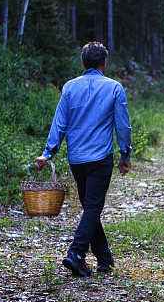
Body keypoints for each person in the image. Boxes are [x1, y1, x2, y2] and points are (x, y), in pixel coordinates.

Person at [35, 41, 132, 277]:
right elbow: (123, 125)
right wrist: (125, 155)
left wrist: (48, 152)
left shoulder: (69, 87)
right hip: (100, 158)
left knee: (90, 207)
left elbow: (60, 122)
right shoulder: (114, 88)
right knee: (93, 207)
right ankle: (76, 253)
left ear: (82, 62)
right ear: (104, 63)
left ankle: (105, 260)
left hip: (76, 159)